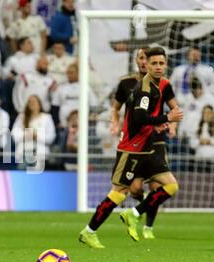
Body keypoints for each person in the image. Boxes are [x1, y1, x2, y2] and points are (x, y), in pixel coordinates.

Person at [78, 47, 184, 248]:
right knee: (119, 192)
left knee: (171, 185)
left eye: (161, 63)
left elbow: (149, 116)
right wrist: (166, 118)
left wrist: (160, 123)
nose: (158, 67)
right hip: (132, 149)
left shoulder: (162, 84)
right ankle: (89, 231)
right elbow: (138, 118)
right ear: (146, 65)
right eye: (154, 63)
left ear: (166, 64)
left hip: (149, 148)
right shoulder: (144, 89)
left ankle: (134, 214)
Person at [110, 48, 168, 239]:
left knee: (156, 186)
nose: (144, 62)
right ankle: (141, 208)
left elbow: (172, 107)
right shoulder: (126, 83)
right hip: (135, 141)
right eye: (141, 58)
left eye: (147, 59)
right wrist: (115, 121)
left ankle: (148, 228)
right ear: (136, 60)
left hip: (155, 139)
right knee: (134, 188)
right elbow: (116, 107)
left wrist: (171, 123)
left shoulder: (162, 84)